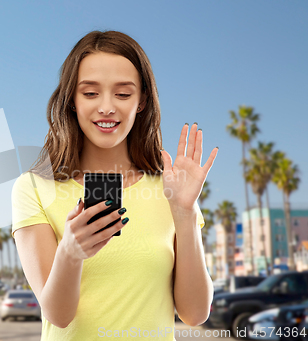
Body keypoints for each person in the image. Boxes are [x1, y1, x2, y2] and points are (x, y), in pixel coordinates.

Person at [11, 30, 217, 340]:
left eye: (122, 94)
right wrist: (70, 252)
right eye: (91, 93)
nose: (107, 107)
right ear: (71, 101)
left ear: (141, 101)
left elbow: (195, 314)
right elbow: (58, 316)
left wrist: (184, 213)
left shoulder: (171, 188)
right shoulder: (34, 188)